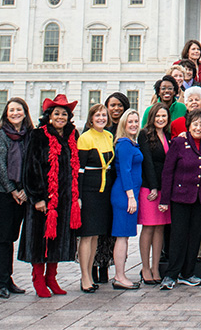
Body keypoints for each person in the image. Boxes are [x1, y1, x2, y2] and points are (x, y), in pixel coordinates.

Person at [19, 95, 81, 298]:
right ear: (49, 116)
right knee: (40, 240)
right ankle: (38, 279)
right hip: (44, 199)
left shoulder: (72, 136)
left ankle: (51, 278)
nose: (61, 117)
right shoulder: (39, 135)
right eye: (57, 113)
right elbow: (31, 167)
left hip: (63, 198)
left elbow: (74, 167)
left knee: (56, 240)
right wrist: (37, 197)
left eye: (64, 114)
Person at [159, 108, 201, 290]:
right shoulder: (179, 142)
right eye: (195, 124)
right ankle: (171, 274)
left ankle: (188, 273)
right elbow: (168, 172)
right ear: (189, 126)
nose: (198, 127)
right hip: (180, 197)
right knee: (178, 236)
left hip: (200, 198)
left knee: (195, 237)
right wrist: (164, 199)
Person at [0, 98, 32, 299]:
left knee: (12, 238)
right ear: (6, 113)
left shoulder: (28, 136)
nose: (15, 113)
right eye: (11, 110)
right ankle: (1, 282)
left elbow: (31, 164)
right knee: (1, 239)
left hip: (22, 195)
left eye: (19, 110)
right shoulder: (0, 136)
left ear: (25, 112)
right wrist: (13, 190)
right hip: (2, 195)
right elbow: (0, 167)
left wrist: (24, 189)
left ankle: (9, 278)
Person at [76, 103, 115, 293]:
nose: (101, 118)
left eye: (104, 115)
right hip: (89, 191)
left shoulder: (108, 136)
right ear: (91, 118)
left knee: (96, 237)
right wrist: (79, 196)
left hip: (104, 191)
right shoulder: (85, 138)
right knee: (86, 235)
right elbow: (79, 170)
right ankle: (85, 276)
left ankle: (91, 274)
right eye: (97, 115)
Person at [136, 102, 171, 285]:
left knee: (160, 228)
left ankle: (156, 267)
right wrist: (154, 187)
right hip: (150, 188)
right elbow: (147, 162)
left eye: (164, 116)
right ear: (152, 117)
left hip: (165, 189)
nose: (160, 119)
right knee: (148, 227)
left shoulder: (168, 135)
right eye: (158, 116)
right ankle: (145, 267)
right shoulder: (144, 134)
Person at [110, 109, 142, 290]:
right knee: (121, 237)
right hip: (124, 195)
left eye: (136, 121)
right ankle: (119, 276)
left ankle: (120, 275)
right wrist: (131, 197)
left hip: (130, 194)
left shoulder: (131, 143)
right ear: (123, 124)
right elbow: (125, 171)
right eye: (130, 121)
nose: (134, 125)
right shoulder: (123, 144)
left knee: (125, 237)